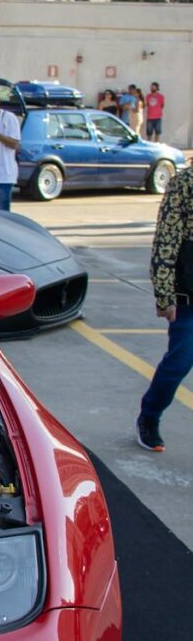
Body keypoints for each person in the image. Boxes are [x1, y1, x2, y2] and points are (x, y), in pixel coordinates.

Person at [135, 165, 193, 452]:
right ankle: (149, 417)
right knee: (179, 363)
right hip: (189, 295)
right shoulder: (184, 182)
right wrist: (165, 295)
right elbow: (166, 242)